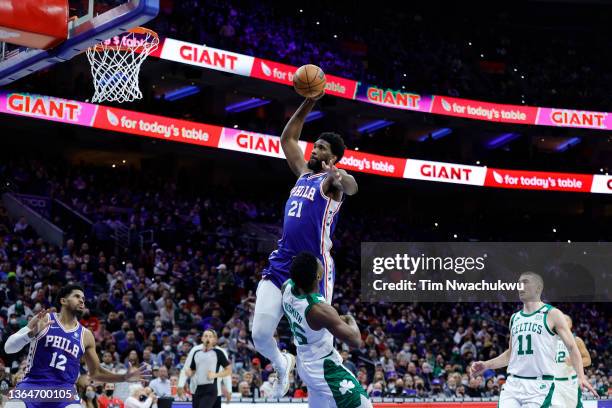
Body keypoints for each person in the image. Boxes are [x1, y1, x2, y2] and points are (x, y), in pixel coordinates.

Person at [253, 91, 359, 398]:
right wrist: (310, 100)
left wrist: (341, 175)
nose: (314, 150)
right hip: (282, 261)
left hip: (313, 269)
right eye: (315, 146)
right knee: (260, 335)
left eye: (322, 148)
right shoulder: (303, 174)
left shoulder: (331, 182)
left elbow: (352, 187)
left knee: (318, 339)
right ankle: (281, 361)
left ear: (333, 157)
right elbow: (288, 139)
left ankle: (331, 390)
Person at [4, 284, 150, 408]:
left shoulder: (86, 335)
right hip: (32, 386)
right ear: (63, 300)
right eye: (77, 296)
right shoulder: (45, 319)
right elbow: (9, 348)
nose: (82, 300)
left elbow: (96, 372)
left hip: (64, 392)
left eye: (83, 298)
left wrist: (124, 377)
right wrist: (31, 334)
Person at [470, 272, 598, 407]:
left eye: (525, 282)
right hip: (513, 383)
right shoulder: (515, 318)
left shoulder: (552, 314)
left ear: (538, 288)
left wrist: (581, 376)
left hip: (539, 386)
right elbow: (510, 354)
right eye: (519, 282)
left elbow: (572, 347)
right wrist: (486, 365)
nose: (520, 286)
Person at [281, 252, 372, 408]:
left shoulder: (287, 287)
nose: (319, 260)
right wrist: (350, 319)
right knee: (363, 405)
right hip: (323, 368)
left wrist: (332, 319)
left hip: (305, 361)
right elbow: (356, 340)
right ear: (317, 276)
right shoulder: (318, 310)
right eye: (318, 262)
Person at [178, 330, 231, 408]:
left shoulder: (220, 352)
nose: (208, 338)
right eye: (206, 336)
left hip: (214, 390)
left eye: (211, 336)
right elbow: (187, 369)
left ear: (215, 339)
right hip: (197, 389)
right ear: (202, 338)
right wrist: (180, 385)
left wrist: (229, 390)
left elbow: (227, 372)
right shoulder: (195, 351)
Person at [552, 315, 591, 408]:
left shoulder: (576, 340)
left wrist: (574, 362)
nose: (562, 322)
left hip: (571, 383)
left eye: (565, 321)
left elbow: (588, 360)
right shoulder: (549, 339)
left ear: (570, 325)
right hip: (554, 384)